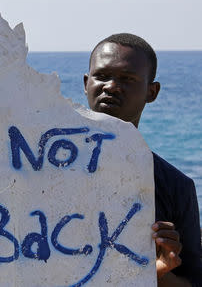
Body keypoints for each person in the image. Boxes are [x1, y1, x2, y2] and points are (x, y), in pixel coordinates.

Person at [83, 33, 202, 287]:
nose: (111, 86)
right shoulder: (34, 162)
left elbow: (191, 282)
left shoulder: (175, 186)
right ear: (86, 83)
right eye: (102, 76)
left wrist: (157, 272)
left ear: (152, 91)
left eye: (127, 79)